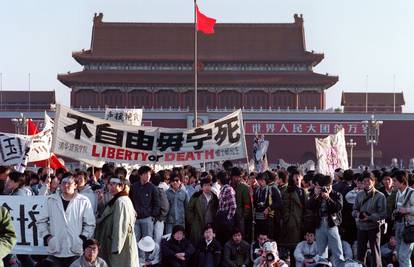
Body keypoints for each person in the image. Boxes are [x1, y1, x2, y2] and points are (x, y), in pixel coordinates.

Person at [37, 175, 96, 267]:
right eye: (64, 183)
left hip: (75, 249)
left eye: (69, 183)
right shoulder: (51, 200)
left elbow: (90, 224)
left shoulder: (83, 201)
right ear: (60, 185)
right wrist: (47, 237)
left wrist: (83, 238)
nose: (66, 185)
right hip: (56, 247)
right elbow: (41, 221)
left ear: (76, 185)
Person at [94, 176, 139, 267]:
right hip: (114, 240)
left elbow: (121, 225)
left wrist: (116, 246)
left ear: (121, 186)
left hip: (118, 243)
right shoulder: (118, 199)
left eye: (114, 184)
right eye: (110, 184)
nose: (111, 187)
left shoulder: (121, 201)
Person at [306, 175, 344, 266]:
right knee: (321, 253)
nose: (326, 189)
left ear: (331, 185)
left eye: (328, 187)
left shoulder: (337, 195)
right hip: (319, 225)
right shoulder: (316, 194)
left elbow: (338, 208)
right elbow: (309, 206)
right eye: (324, 187)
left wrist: (328, 198)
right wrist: (315, 195)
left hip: (332, 225)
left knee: (337, 251)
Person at [352, 171, 386, 267]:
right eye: (364, 181)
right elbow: (354, 210)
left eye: (369, 181)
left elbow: (383, 214)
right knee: (360, 253)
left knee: (375, 252)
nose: (366, 183)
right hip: (361, 227)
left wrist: (370, 217)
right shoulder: (359, 195)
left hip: (374, 227)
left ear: (373, 181)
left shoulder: (380, 196)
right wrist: (359, 215)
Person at [130, 166, 160, 241]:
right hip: (135, 219)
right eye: (146, 173)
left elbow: (157, 203)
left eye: (149, 174)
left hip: (147, 219)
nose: (148, 176)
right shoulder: (133, 187)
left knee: (147, 241)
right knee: (135, 241)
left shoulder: (153, 188)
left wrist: (152, 216)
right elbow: (130, 201)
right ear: (140, 175)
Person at [187, 177, 219, 245]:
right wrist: (192, 221)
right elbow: (189, 209)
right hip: (197, 223)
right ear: (201, 187)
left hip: (210, 223)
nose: (207, 187)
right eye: (205, 185)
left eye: (209, 185)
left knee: (209, 242)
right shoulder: (196, 196)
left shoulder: (215, 197)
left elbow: (217, 209)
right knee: (197, 242)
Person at [393, 170, 414, 267]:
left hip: (409, 228)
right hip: (399, 226)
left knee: (403, 255)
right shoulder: (398, 193)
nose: (393, 183)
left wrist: (406, 210)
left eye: (395, 181)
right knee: (400, 255)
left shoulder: (412, 193)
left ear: (402, 181)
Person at [231, 167, 252, 240]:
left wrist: (243, 216)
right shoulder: (229, 186)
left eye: (239, 177)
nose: (238, 179)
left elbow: (247, 204)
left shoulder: (244, 188)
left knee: (240, 236)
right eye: (236, 177)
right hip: (230, 216)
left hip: (240, 217)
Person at [216, 171, 236, 245]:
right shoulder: (222, 189)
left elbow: (233, 205)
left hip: (226, 217)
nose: (217, 181)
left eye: (218, 179)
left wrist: (228, 218)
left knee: (227, 239)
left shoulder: (228, 189)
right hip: (221, 217)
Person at [151, 173, 170, 245]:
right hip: (155, 219)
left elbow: (165, 206)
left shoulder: (159, 190)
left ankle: (157, 256)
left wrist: (160, 218)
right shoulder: (157, 190)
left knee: (157, 241)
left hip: (158, 219)